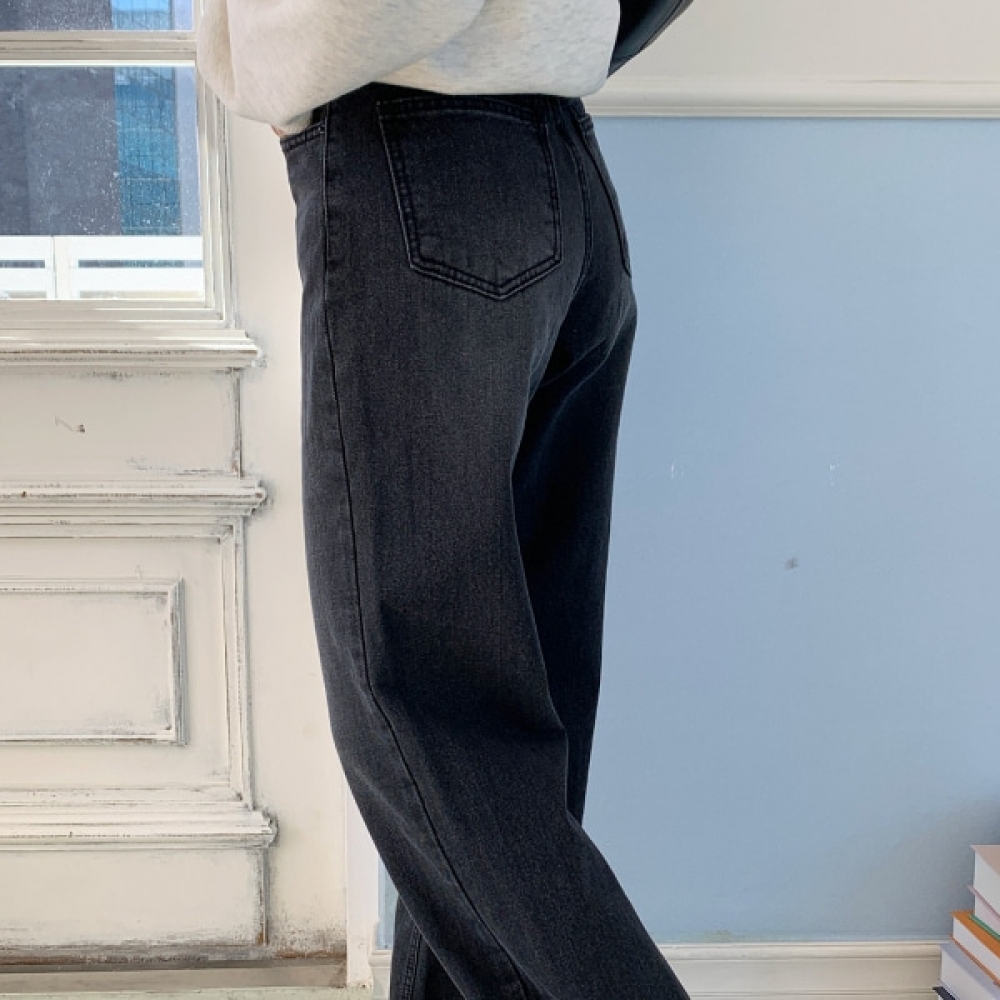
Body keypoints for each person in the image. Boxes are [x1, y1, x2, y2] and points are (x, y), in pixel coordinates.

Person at [197, 3, 694, 998]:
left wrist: (281, 69)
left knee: (420, 703)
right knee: (504, 724)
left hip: (415, 162)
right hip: (562, 182)